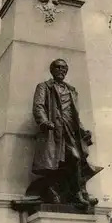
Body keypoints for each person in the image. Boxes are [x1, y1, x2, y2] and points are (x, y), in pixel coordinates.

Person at [28, 59, 102, 207]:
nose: (61, 70)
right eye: (58, 67)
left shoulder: (71, 90)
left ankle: (76, 192)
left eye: (64, 68)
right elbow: (39, 106)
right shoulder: (44, 87)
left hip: (70, 130)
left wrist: (82, 130)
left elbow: (75, 114)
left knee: (76, 158)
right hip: (54, 130)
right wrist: (44, 121)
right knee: (60, 160)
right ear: (52, 70)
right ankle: (62, 191)